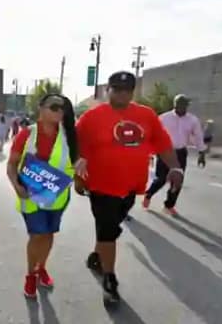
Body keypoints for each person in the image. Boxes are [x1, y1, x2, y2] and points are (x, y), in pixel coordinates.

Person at [75, 71, 183, 306]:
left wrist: (176, 168)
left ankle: (97, 255)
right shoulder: (91, 117)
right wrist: (77, 175)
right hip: (101, 186)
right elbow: (76, 148)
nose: (122, 94)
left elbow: (163, 143)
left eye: (127, 90)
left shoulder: (146, 115)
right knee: (107, 231)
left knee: (111, 227)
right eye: (116, 89)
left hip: (132, 187)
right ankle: (110, 280)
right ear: (108, 91)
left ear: (132, 92)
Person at [7, 94, 78, 298]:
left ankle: (42, 268)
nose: (58, 111)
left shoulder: (69, 135)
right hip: (30, 195)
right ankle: (31, 274)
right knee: (37, 234)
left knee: (48, 234)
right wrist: (16, 186)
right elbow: (12, 164)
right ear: (41, 108)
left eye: (61, 108)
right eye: (53, 107)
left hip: (57, 196)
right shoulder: (27, 134)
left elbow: (74, 162)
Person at [143, 94, 206, 216]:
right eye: (181, 104)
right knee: (161, 179)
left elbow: (198, 136)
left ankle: (169, 205)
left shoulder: (192, 120)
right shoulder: (163, 118)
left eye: (185, 105)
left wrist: (201, 153)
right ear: (175, 105)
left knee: (177, 182)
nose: (184, 107)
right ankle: (148, 194)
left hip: (181, 152)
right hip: (165, 151)